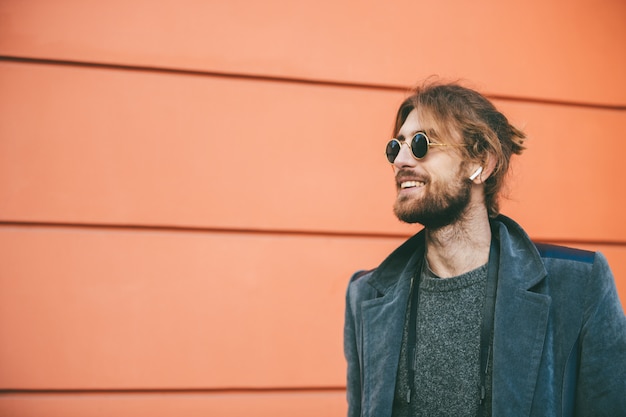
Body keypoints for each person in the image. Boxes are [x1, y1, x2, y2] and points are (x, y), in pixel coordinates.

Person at [343, 81, 626, 417]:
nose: (401, 159)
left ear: (481, 163)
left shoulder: (578, 285)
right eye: (395, 147)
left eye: (421, 143)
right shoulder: (366, 296)